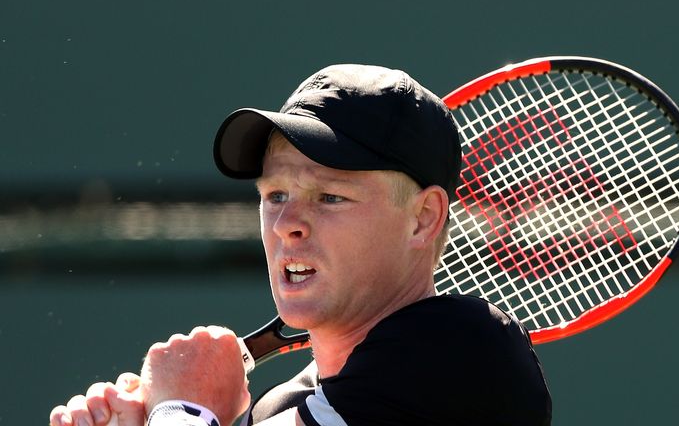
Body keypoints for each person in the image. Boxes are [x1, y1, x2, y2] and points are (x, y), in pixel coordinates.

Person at [49, 64, 552, 426]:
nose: (287, 224)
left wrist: (180, 409)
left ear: (423, 218)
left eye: (330, 196)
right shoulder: (282, 404)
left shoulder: (458, 356)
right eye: (275, 195)